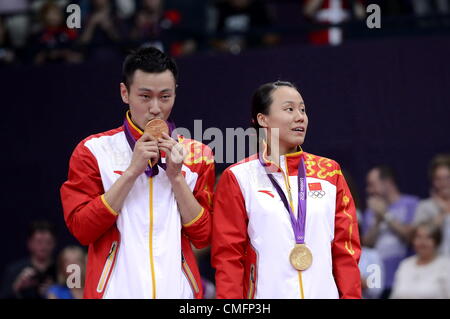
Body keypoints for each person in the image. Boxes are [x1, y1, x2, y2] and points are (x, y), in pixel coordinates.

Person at [60, 47, 215, 299]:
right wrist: (131, 171)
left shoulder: (198, 155)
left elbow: (204, 236)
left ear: (175, 93)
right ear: (125, 93)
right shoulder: (93, 151)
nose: (156, 108)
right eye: (145, 96)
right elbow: (81, 229)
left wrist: (177, 178)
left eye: (165, 97)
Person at [212, 81, 361, 299]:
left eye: (302, 109)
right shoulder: (239, 177)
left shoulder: (330, 173)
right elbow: (228, 257)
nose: (300, 116)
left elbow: (346, 251)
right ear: (263, 120)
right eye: (289, 109)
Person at [361, 165, 419, 298]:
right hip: (378, 278)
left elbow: (411, 237)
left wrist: (386, 215)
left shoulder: (411, 204)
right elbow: (366, 245)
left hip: (405, 278)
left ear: (388, 182)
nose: (369, 190)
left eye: (372, 184)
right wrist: (377, 220)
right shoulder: (370, 212)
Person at [390, 222, 450, 299]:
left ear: (436, 241)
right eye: (418, 237)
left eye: (428, 237)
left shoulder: (446, 265)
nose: (422, 242)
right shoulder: (405, 264)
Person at [0, 221, 57, 299]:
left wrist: (57, 290)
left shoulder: (60, 270)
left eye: (48, 242)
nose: (44, 246)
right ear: (29, 243)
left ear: (54, 244)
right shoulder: (14, 271)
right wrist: (17, 287)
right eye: (39, 242)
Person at [413, 154, 450, 256]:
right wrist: (441, 216)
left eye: (448, 178)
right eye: (439, 179)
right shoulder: (424, 207)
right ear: (433, 181)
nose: (444, 183)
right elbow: (417, 238)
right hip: (436, 265)